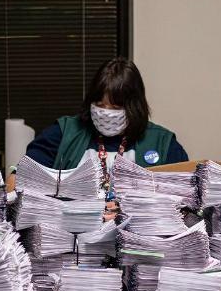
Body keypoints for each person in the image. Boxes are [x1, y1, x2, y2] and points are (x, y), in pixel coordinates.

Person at [24, 57, 189, 199]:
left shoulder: (162, 142)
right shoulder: (63, 133)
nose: (106, 113)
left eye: (116, 108)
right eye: (100, 105)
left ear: (134, 107)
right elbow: (22, 179)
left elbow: (187, 197)